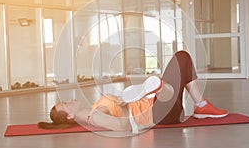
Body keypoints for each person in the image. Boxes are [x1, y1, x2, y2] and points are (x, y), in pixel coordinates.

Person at [38, 51, 228, 132]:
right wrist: (124, 108)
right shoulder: (95, 116)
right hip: (159, 115)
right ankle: (160, 88)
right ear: (70, 115)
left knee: (183, 57)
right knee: (180, 59)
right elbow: (122, 127)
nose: (70, 99)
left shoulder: (96, 108)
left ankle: (201, 105)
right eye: (66, 103)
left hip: (160, 108)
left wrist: (123, 101)